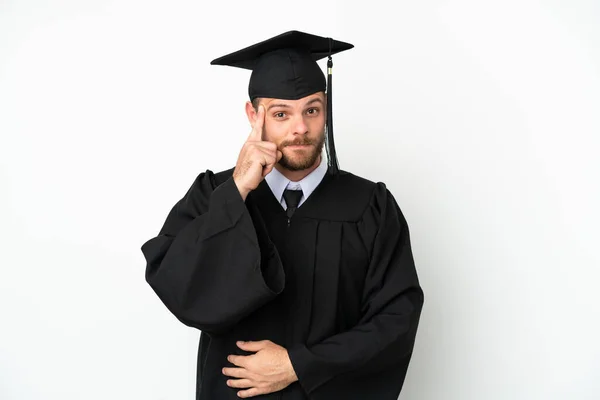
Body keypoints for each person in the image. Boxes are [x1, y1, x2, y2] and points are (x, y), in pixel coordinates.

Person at [141, 30, 424, 400]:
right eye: (280, 113)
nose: (300, 128)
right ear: (253, 115)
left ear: (326, 110)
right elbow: (178, 286)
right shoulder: (215, 194)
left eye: (312, 109)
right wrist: (238, 190)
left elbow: (396, 324)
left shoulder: (371, 206)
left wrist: (298, 365)